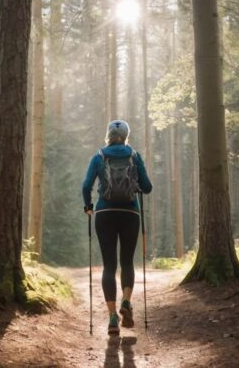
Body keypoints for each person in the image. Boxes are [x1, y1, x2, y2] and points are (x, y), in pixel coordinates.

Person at [82, 120, 152, 335]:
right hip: (130, 213)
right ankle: (126, 301)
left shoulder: (99, 156)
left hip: (104, 213)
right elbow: (147, 188)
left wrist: (88, 207)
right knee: (127, 262)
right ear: (126, 135)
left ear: (108, 135)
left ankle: (113, 317)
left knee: (109, 266)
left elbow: (86, 186)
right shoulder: (134, 156)